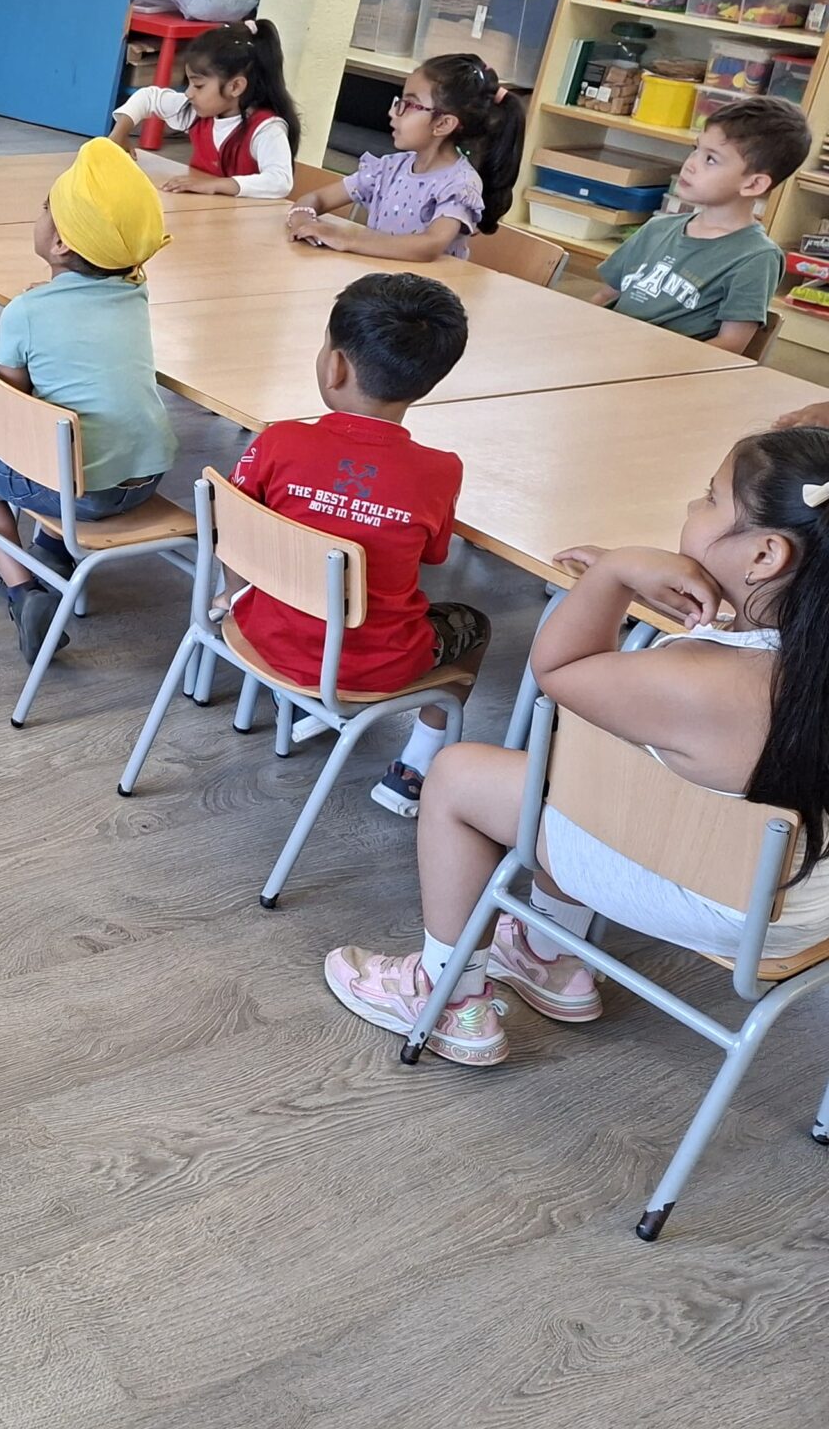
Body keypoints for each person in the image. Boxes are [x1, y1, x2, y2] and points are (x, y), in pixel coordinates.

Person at [323, 426, 829, 1067]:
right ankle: (548, 958)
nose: (692, 505)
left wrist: (612, 577)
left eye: (710, 496)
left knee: (461, 775)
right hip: (805, 905)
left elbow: (558, 669)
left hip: (727, 905)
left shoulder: (696, 679)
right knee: (594, 773)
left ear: (765, 556)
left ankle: (447, 997)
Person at [229, 273, 486, 818]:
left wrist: (229, 596)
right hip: (375, 667)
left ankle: (305, 704)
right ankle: (412, 771)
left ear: (335, 365)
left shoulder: (278, 441)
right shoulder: (439, 471)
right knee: (475, 626)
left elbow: (233, 524)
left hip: (262, 632)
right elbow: (433, 557)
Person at [0, 135, 175, 663]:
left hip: (83, 495)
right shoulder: (135, 294)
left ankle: (23, 592)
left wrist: (31, 311)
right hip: (146, 477)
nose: (40, 213)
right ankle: (50, 559)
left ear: (60, 245)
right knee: (74, 450)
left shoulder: (25, 313)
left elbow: (8, 409)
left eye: (46, 207)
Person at [589, 95, 803, 355]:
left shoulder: (757, 257)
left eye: (710, 159)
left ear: (753, 184)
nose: (690, 164)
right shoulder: (657, 228)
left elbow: (730, 345)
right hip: (606, 351)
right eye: (695, 149)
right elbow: (605, 297)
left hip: (663, 369)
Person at [284, 53, 520, 260]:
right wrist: (304, 220)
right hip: (379, 284)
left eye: (409, 104)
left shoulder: (459, 184)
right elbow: (316, 198)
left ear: (443, 124)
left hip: (420, 294)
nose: (392, 112)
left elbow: (430, 245)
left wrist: (349, 239)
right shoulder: (388, 168)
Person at [114, 16, 300, 200]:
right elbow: (148, 97)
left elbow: (280, 181)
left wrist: (214, 185)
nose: (189, 93)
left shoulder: (266, 129)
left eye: (198, 85)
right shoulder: (196, 111)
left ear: (235, 87)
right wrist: (119, 134)